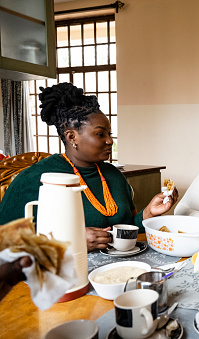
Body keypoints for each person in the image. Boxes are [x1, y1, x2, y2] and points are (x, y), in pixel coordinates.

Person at [0, 83, 178, 251]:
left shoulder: (114, 175)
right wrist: (71, 240)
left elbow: (127, 229)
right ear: (71, 137)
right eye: (100, 134)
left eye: (109, 134)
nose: (109, 141)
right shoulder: (34, 179)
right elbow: (5, 240)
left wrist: (148, 214)